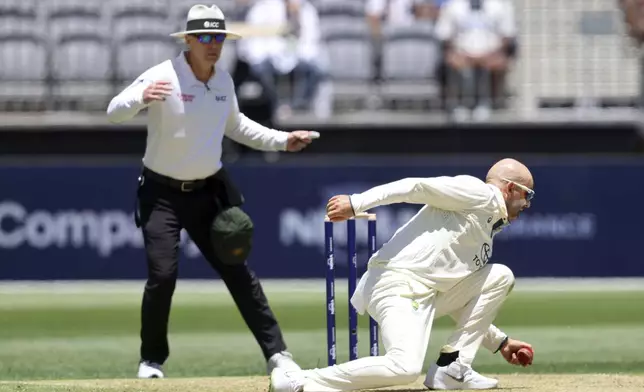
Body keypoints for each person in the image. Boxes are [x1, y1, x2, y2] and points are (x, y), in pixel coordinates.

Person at [106, 4, 318, 379]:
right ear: (187, 40)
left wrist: (284, 140)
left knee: (239, 274)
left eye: (217, 37)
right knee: (163, 276)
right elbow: (113, 111)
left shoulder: (222, 81)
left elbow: (237, 126)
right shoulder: (163, 75)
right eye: (203, 37)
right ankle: (151, 360)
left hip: (208, 193)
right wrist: (139, 99)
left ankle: (277, 354)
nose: (212, 45)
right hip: (161, 194)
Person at [270, 158, 535, 391]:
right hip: (397, 284)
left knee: (500, 275)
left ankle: (453, 368)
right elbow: (415, 187)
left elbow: (466, 302)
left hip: (425, 295)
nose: (527, 204)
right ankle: (299, 380)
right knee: (405, 368)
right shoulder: (481, 193)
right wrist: (357, 202)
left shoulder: (486, 226)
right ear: (511, 188)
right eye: (527, 195)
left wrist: (501, 343)